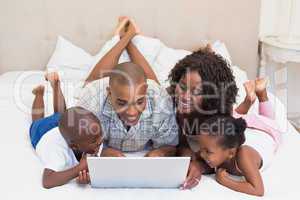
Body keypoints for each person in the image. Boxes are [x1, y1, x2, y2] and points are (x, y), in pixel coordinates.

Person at [77, 17, 178, 157]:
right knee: (94, 80)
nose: (131, 113)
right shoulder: (91, 101)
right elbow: (78, 145)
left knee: (154, 85)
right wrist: (102, 152)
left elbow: (170, 146)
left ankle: (128, 38)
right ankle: (125, 37)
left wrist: (159, 152)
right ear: (109, 93)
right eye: (122, 102)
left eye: (140, 101)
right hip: (97, 87)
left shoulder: (159, 100)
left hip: (153, 91)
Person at [183, 78, 282, 196]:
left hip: (265, 133)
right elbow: (200, 157)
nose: (202, 153)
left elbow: (258, 190)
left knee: (269, 121)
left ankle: (262, 94)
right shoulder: (217, 149)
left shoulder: (244, 156)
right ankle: (249, 100)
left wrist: (225, 181)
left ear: (231, 153)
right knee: (232, 119)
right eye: (201, 148)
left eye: (208, 151)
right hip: (244, 129)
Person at [30, 72, 103, 188]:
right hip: (43, 133)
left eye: (100, 134)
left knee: (62, 114)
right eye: (94, 141)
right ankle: (39, 94)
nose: (100, 141)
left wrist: (88, 174)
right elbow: (47, 181)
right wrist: (79, 169)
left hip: (65, 125)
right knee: (36, 121)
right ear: (74, 146)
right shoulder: (58, 152)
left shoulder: (91, 137)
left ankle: (56, 85)